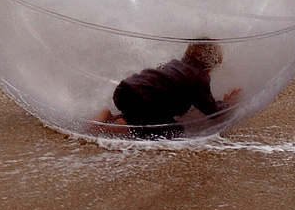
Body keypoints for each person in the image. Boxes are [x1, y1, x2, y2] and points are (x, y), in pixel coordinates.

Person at [91, 41, 241, 139]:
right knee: (173, 130)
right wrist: (226, 104)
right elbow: (211, 110)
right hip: (143, 99)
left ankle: (107, 115)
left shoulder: (176, 65)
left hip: (125, 90)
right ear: (210, 66)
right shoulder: (200, 77)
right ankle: (110, 129)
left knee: (144, 116)